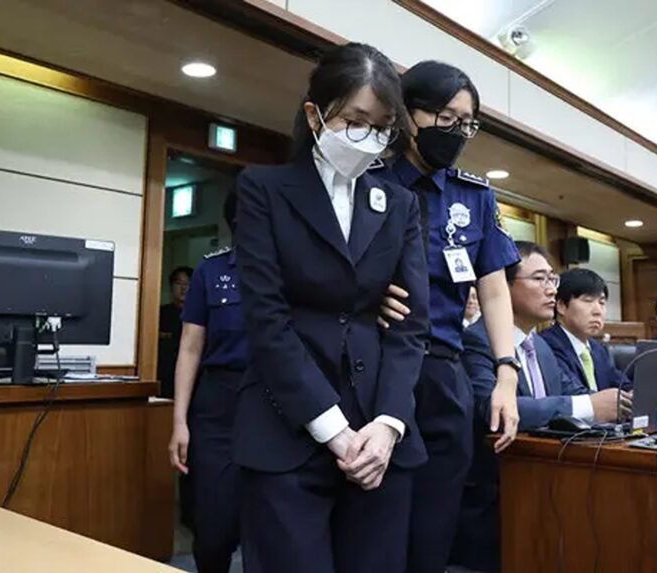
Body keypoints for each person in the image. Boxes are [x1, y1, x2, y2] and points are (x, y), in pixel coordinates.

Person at [231, 43, 429, 573]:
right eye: (355, 122)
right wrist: (335, 432)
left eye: (382, 127)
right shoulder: (263, 189)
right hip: (287, 425)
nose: (369, 138)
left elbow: (412, 326)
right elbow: (267, 319)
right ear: (315, 114)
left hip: (379, 433)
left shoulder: (400, 204)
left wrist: (388, 424)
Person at [372, 60, 521, 573]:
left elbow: (494, 292)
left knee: (435, 525)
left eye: (467, 123)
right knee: (376, 520)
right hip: (375, 364)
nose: (457, 132)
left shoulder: (473, 196)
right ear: (408, 114)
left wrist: (506, 374)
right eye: (446, 118)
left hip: (443, 370)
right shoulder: (367, 181)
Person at [451, 242, 631, 572]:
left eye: (553, 279)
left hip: (547, 492)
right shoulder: (477, 339)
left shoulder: (541, 347)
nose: (551, 290)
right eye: (539, 279)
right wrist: (588, 405)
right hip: (496, 502)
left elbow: (573, 396)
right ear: (502, 286)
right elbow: (492, 409)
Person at [167, 193, 249, 573]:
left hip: (275, 401)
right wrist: (179, 421)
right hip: (217, 403)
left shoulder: (292, 271)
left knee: (270, 526)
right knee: (214, 526)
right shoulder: (211, 271)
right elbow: (189, 348)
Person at [541, 268, 630, 392]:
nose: (598, 311)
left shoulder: (598, 349)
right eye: (588, 301)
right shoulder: (546, 345)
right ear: (561, 306)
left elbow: (622, 384)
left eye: (602, 303)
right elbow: (571, 393)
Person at [158, 265, 192, 398]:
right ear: (171, 286)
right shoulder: (160, 313)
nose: (183, 288)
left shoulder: (199, 317)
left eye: (188, 284)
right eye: (178, 283)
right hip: (164, 376)